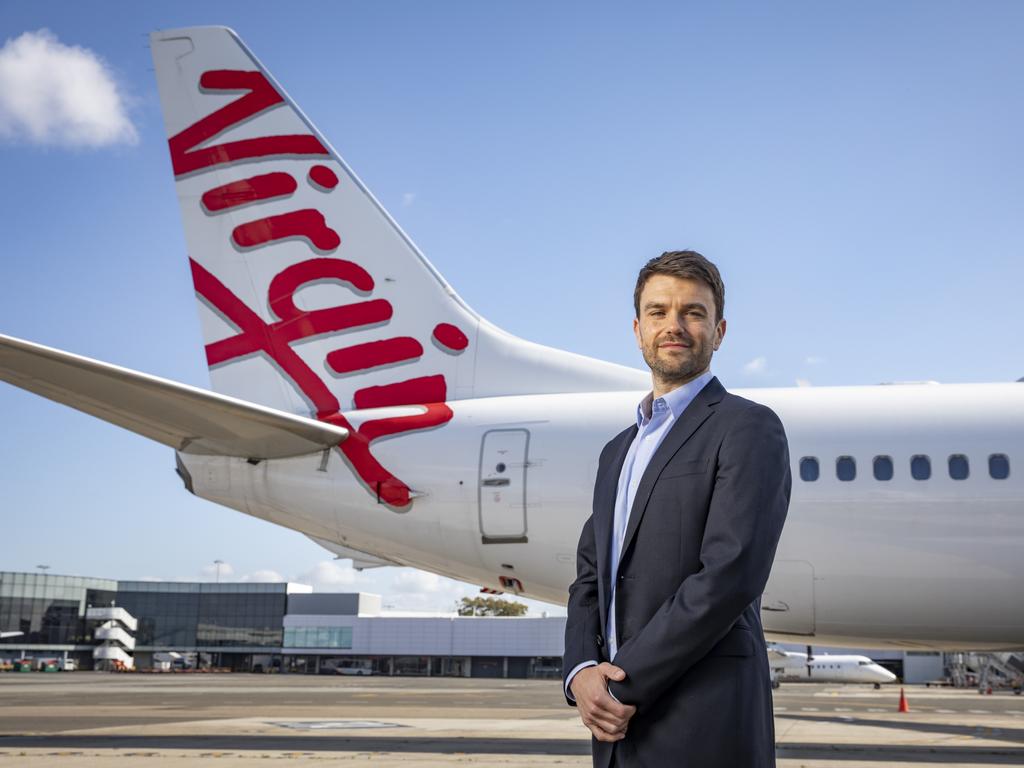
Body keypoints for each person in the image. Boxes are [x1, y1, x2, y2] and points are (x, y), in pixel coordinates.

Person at [563, 251, 791, 767]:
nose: (675, 325)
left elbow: (731, 574)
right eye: (659, 311)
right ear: (638, 328)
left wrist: (623, 685)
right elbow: (590, 575)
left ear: (720, 329)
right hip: (615, 730)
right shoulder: (617, 449)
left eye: (693, 312)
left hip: (703, 723)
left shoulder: (747, 428)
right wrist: (581, 672)